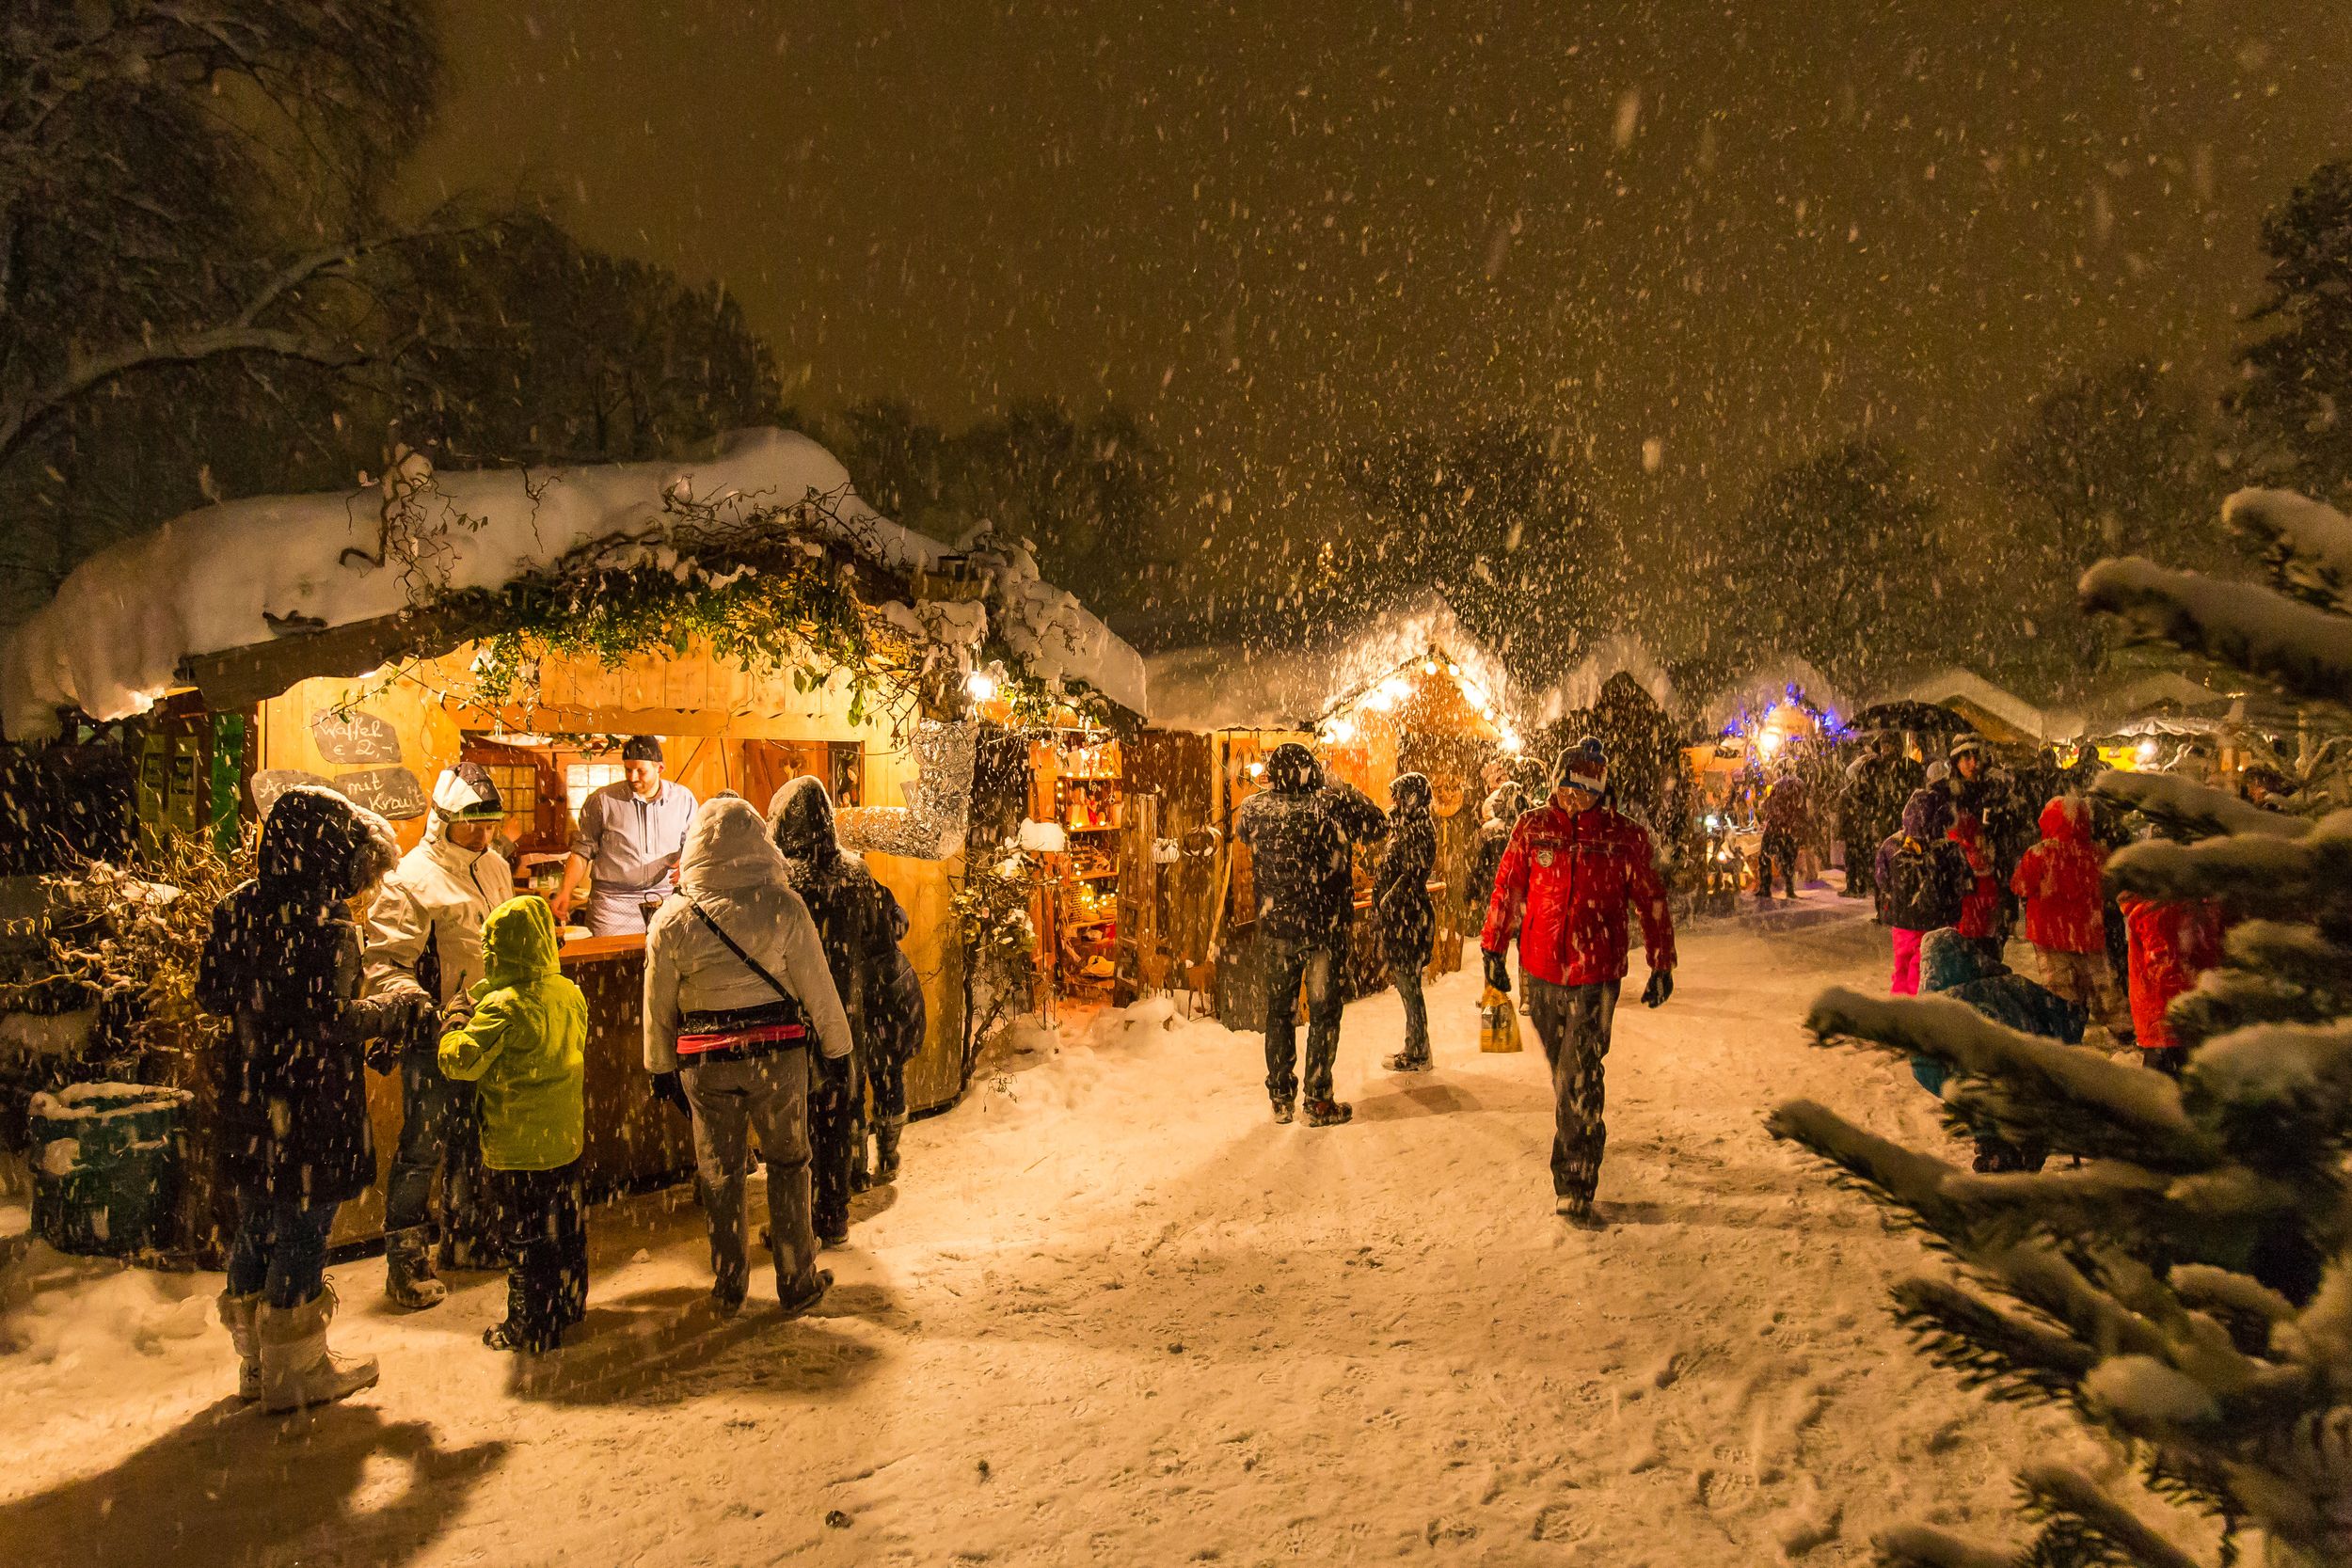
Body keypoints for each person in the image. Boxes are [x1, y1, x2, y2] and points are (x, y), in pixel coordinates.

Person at [198, 785, 419, 1412]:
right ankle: (296, 1369)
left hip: (251, 1094)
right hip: (312, 1101)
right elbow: (333, 1020)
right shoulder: (326, 927)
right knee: (301, 1228)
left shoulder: (236, 908)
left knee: (259, 1221)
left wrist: (261, 1011)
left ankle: (256, 1363)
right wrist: (391, 1008)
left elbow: (211, 992)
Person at [644, 798, 853, 1317]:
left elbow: (657, 1004)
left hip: (705, 1064)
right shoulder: (782, 905)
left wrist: (659, 1068)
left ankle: (730, 1284)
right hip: (778, 1059)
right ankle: (796, 1278)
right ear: (759, 841)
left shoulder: (673, 917)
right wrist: (838, 1048)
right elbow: (818, 986)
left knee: (720, 1170)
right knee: (789, 1161)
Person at [1479, 736, 1676, 1226]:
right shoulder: (1533, 828)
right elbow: (1508, 888)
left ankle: (1575, 1181)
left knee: (1577, 1075)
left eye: (1587, 792)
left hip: (1596, 975)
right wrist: (1493, 949)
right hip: (1541, 972)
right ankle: (1579, 1130)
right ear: (1556, 785)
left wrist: (1661, 961)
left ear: (1602, 792)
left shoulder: (1623, 837)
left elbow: (1651, 899)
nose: (1576, 799)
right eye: (1569, 790)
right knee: (1563, 1072)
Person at [362, 762, 513, 1308]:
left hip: (488, 1026)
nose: (483, 833)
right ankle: (405, 1259)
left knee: (476, 1136)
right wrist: (420, 1005)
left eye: (490, 822)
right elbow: (384, 961)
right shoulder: (410, 878)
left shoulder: (495, 868)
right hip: (433, 1033)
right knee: (423, 1143)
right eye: (472, 823)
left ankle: (468, 1236)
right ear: (443, 819)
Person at [768, 776, 924, 1242]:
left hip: (795, 1010)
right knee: (837, 1108)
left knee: (797, 1122)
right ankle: (834, 1213)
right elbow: (882, 939)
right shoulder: (855, 873)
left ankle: (799, 1220)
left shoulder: (782, 881)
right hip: (846, 1007)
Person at [437, 896, 588, 1353]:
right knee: (566, 1226)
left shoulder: (503, 1008)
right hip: (563, 1139)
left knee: (525, 1237)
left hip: (518, 1146)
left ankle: (528, 1323)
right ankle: (569, 1303)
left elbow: (459, 1062)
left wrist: (454, 1021)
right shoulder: (567, 993)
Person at [1233, 741, 1357, 1127]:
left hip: (1276, 930)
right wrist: (1338, 786)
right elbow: (1376, 824)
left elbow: (1243, 834)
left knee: (1280, 1013)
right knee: (1322, 1013)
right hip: (1322, 930)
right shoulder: (1330, 805)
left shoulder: (1254, 808)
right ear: (1312, 772)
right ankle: (1318, 1100)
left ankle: (1280, 1096)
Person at [1914, 927, 2085, 1172]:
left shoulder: (1937, 1013)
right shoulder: (2013, 986)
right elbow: (2067, 1016)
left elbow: (1922, 1067)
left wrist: (1955, 1086)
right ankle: (2025, 1146)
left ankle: (1997, 1149)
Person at [552, 736, 698, 936]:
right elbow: (581, 852)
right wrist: (565, 891)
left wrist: (686, 862)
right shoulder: (601, 800)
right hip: (612, 905)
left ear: (660, 768)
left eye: (641, 771)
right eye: (628, 769)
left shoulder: (683, 799)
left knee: (665, 963)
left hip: (665, 900)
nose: (632, 777)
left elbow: (695, 846)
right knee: (610, 965)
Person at [2010, 796, 2128, 1037]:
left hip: (2050, 935)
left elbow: (2020, 885)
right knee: (2102, 986)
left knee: (2061, 990)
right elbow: (2112, 887)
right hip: (2088, 934)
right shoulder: (2097, 855)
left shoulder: (2040, 854)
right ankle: (2122, 1029)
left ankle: (2067, 1030)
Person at [2119, 892, 2228, 1076]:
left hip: (2178, 1019)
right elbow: (2164, 968)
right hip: (2169, 1020)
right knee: (2166, 1086)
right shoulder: (2159, 910)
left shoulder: (2191, 904)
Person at [1875, 788, 1970, 995]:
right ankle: (1918, 1009)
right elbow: (1963, 885)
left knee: (1902, 966)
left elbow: (1881, 878)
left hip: (1902, 923)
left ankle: (1900, 1005)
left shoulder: (1892, 845)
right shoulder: (1949, 850)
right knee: (1925, 969)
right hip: (1937, 923)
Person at [1375, 772, 1438, 1073]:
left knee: (1410, 986)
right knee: (1406, 985)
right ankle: (1415, 1044)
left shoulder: (1419, 829)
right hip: (1400, 917)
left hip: (1409, 918)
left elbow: (1412, 874)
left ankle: (1419, 1050)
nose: (1395, 801)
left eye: (1400, 796)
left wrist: (1388, 901)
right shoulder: (1404, 827)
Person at [1945, 807, 2001, 959]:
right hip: (1980, 928)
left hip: (1957, 928)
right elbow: (1991, 898)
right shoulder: (1982, 859)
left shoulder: (1950, 856)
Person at [1463, 780, 1523, 923]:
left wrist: (1471, 892)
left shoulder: (1489, 830)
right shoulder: (1527, 827)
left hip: (1493, 888)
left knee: (1494, 930)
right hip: (1520, 893)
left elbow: (1478, 864)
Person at [1757, 768, 1808, 901]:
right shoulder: (1798, 791)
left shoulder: (1777, 790)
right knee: (1788, 860)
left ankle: (1765, 888)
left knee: (1765, 856)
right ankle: (1790, 890)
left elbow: (1767, 808)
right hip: (1789, 831)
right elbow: (1802, 811)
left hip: (1776, 828)